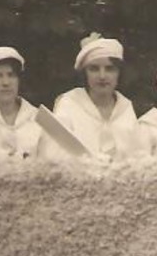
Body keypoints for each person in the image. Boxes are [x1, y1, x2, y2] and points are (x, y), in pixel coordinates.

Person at [50, 33, 147, 163]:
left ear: (119, 73)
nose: (102, 76)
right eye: (94, 69)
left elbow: (138, 157)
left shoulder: (125, 107)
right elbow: (54, 155)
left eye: (109, 69)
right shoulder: (68, 103)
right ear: (85, 73)